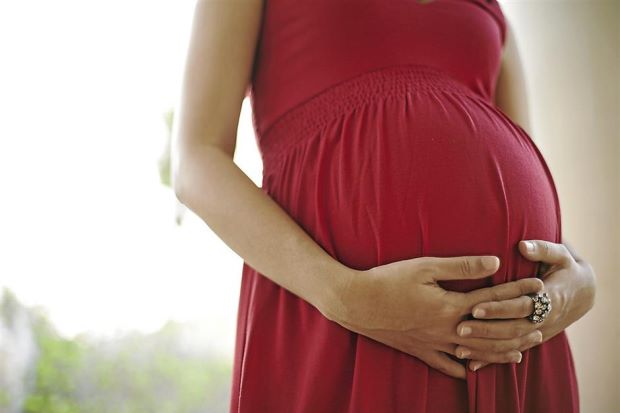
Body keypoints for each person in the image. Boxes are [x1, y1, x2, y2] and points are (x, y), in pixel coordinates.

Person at [171, 0, 597, 412]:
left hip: (512, 345)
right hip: (341, 321)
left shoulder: (491, 7)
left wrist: (576, 280)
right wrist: (345, 296)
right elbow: (197, 158)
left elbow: (517, 159)